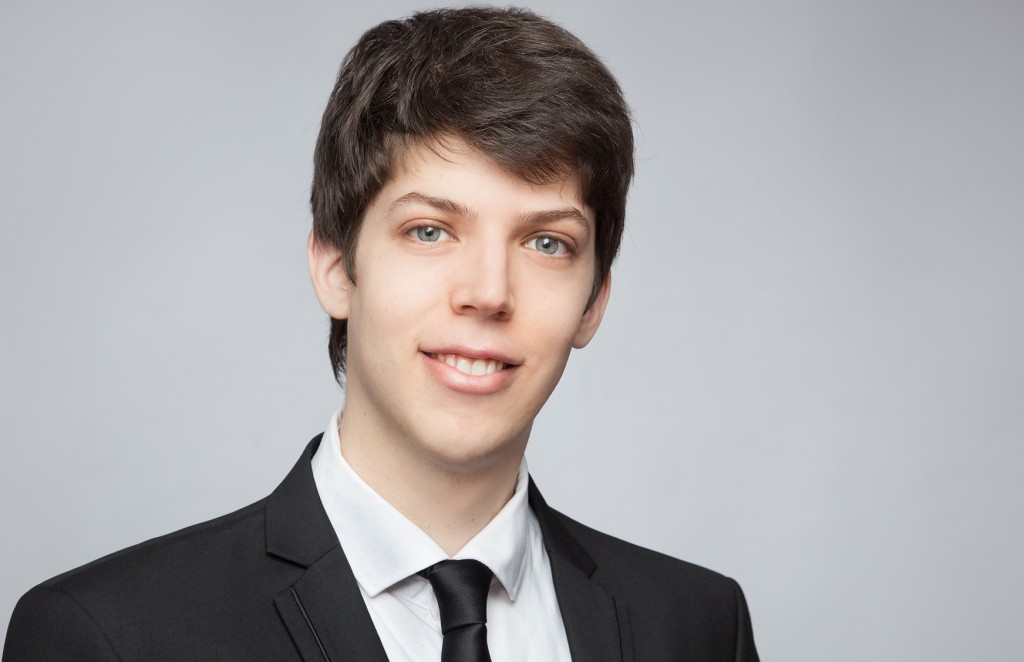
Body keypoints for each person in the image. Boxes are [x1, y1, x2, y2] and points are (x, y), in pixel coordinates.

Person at [3, 7, 758, 661]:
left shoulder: (696, 626)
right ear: (336, 266)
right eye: (430, 230)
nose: (488, 293)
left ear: (594, 302)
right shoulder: (108, 636)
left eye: (546, 243)